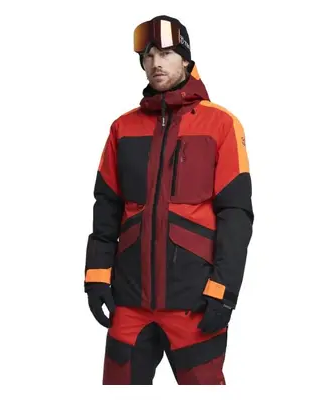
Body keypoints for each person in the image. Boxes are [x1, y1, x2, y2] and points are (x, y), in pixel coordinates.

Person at [84, 15, 254, 385]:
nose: (155, 63)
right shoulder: (122, 128)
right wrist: (96, 277)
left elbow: (236, 214)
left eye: (165, 53)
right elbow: (106, 207)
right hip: (129, 304)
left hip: (194, 304)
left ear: (186, 59)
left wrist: (224, 292)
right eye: (147, 56)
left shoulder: (221, 124)